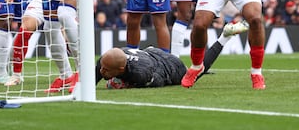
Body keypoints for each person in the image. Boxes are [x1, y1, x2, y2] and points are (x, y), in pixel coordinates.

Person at [95, 21, 248, 89]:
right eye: (103, 67)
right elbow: (93, 77)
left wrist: (124, 85)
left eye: (106, 70)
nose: (102, 71)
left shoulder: (141, 74)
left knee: (195, 72)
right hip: (149, 53)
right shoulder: (107, 61)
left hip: (170, 66)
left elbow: (161, 81)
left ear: (121, 69)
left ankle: (224, 37)